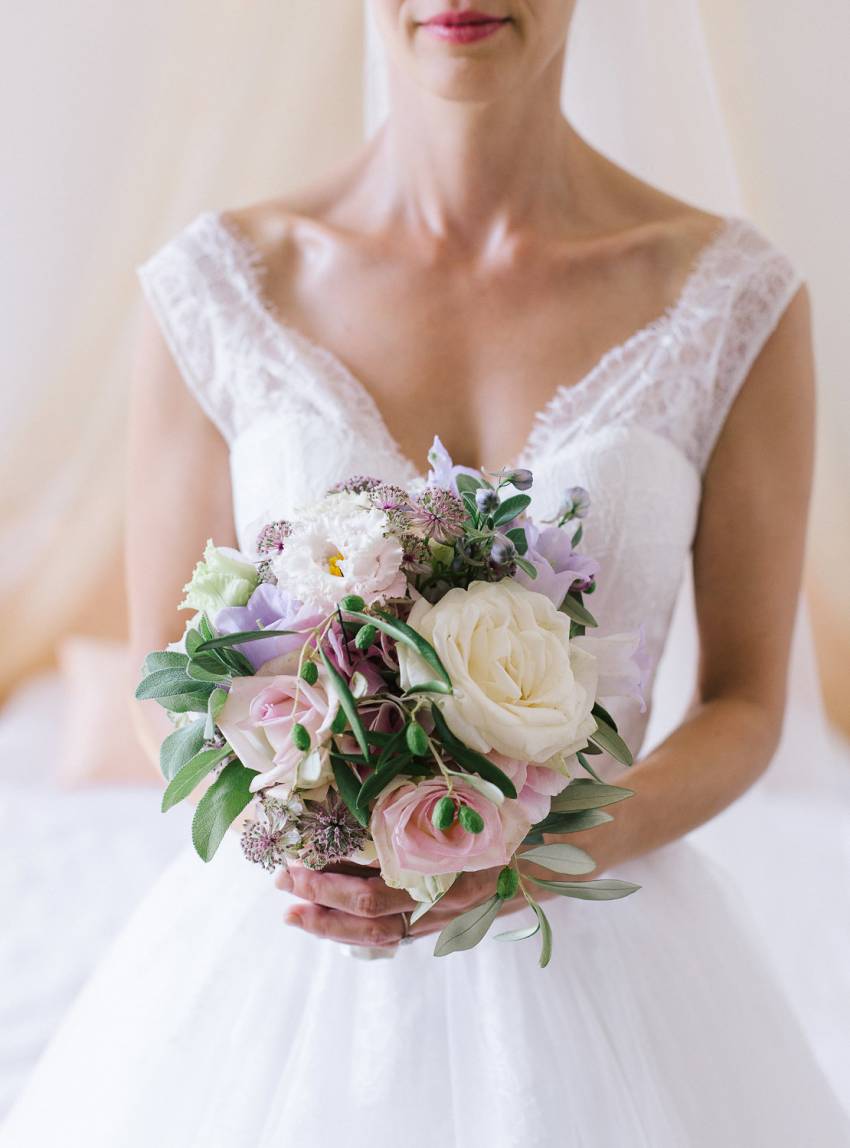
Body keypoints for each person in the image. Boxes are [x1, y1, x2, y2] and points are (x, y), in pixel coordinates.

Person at [3, 2, 848, 1144]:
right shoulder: (217, 290)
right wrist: (314, 823)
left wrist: (542, 848)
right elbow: (172, 678)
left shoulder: (729, 298)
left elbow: (745, 701)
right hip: (293, 950)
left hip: (600, 949)